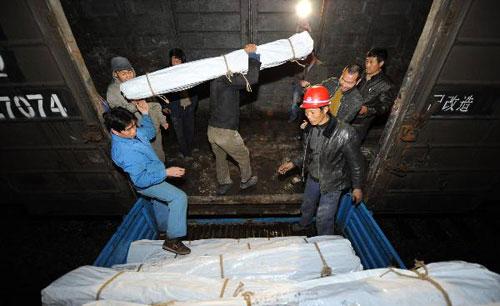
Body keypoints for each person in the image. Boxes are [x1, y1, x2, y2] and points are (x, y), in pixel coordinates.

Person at [103, 102, 190, 255]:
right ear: (115, 132)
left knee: (160, 201)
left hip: (155, 172)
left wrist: (145, 115)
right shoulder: (124, 152)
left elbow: (149, 133)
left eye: (134, 125)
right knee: (179, 198)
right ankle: (172, 240)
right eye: (129, 129)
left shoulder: (133, 133)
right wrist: (166, 173)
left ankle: (164, 229)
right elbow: (140, 180)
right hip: (146, 183)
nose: (134, 131)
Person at [278, 85, 365, 235]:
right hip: (313, 176)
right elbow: (309, 153)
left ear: (325, 109)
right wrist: (293, 163)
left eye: (312, 112)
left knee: (324, 216)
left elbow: (356, 163)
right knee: (307, 205)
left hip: (333, 181)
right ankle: (304, 224)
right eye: (306, 112)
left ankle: (325, 242)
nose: (308, 116)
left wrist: (357, 186)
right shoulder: (310, 128)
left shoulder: (345, 133)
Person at [208, 43, 261, 195]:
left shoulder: (215, 79)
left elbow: (230, 98)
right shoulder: (227, 79)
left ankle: (224, 182)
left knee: (220, 157)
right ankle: (246, 180)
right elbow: (252, 79)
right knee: (243, 155)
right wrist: (253, 56)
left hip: (212, 130)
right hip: (225, 132)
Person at [106, 56, 169, 162]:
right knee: (146, 158)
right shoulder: (112, 92)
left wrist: (162, 120)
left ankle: (162, 171)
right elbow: (119, 115)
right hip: (135, 133)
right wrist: (134, 105)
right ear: (116, 74)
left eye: (129, 72)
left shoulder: (140, 83)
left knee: (159, 154)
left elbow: (154, 103)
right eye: (123, 73)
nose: (128, 76)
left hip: (154, 125)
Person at [352, 48, 396, 142]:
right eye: (367, 61)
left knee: (350, 146)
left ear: (380, 64)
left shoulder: (386, 84)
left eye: (371, 62)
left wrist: (367, 110)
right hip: (347, 115)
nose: (367, 65)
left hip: (360, 123)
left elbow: (384, 107)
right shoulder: (362, 74)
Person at [164, 48, 198, 161]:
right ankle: (185, 153)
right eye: (174, 59)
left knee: (190, 129)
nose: (176, 62)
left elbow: (194, 90)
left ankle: (189, 148)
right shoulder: (166, 75)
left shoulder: (188, 73)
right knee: (180, 132)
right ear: (170, 60)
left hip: (188, 105)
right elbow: (162, 93)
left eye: (178, 59)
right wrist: (165, 107)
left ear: (182, 60)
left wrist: (192, 105)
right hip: (174, 108)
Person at [289, 51, 329, 122]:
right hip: (304, 91)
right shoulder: (306, 65)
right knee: (296, 105)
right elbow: (297, 77)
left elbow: (322, 83)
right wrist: (301, 81)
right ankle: (295, 118)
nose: (304, 58)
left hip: (314, 95)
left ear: (312, 54)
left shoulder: (321, 66)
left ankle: (304, 122)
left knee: (310, 112)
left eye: (306, 55)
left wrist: (308, 85)